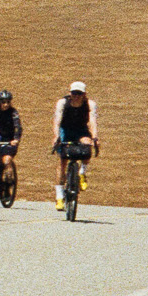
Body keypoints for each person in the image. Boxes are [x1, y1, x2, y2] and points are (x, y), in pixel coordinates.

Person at [52, 81, 99, 209]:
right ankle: (59, 196)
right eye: (74, 93)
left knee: (87, 146)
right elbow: (57, 121)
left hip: (80, 130)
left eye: (79, 93)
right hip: (66, 130)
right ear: (70, 93)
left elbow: (93, 122)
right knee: (62, 162)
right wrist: (56, 137)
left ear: (84, 95)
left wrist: (95, 137)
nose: (76, 96)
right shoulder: (62, 103)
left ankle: (82, 172)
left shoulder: (90, 104)